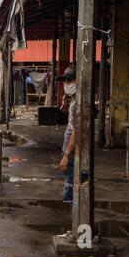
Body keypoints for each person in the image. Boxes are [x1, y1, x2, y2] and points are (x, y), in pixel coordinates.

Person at [59, 67, 76, 203]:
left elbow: (77, 130)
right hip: (69, 149)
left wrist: (66, 155)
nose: (66, 84)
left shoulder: (78, 103)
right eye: (65, 81)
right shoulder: (74, 100)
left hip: (71, 151)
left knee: (69, 187)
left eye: (69, 81)